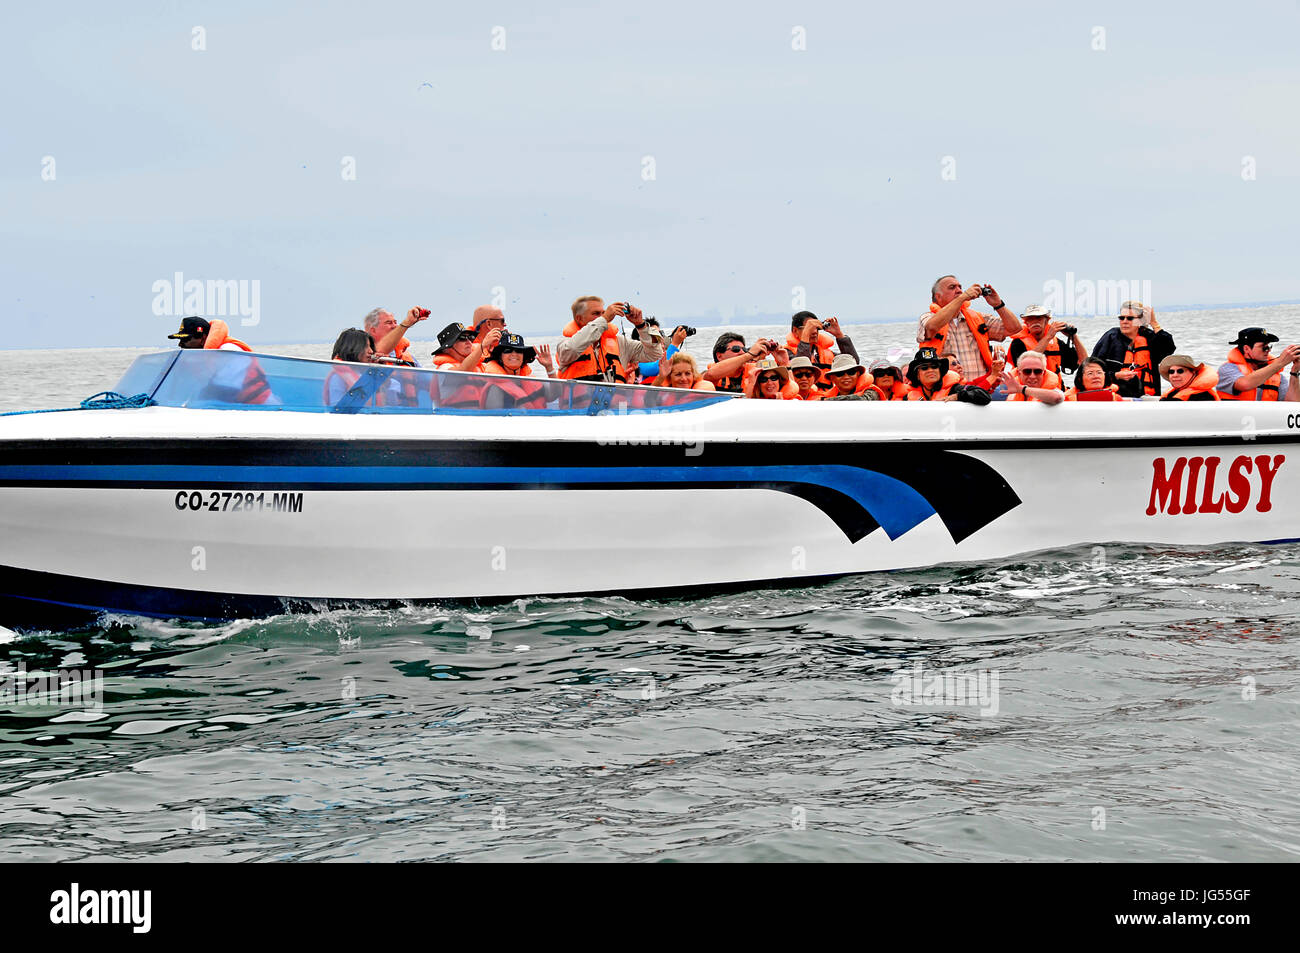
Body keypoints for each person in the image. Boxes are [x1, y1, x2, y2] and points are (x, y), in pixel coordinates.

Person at [918, 276, 1022, 382]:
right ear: (938, 297)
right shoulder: (927, 318)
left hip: (980, 388)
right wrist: (963, 297)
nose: (959, 291)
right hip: (947, 390)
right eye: (952, 287)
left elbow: (1015, 328)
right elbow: (931, 327)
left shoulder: (978, 318)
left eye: (960, 287)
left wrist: (998, 304)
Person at [556, 296, 664, 382]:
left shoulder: (620, 343)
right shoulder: (565, 344)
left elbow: (654, 354)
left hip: (615, 408)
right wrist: (604, 319)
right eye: (596, 314)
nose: (602, 317)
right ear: (579, 318)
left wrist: (641, 325)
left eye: (603, 313)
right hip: (578, 409)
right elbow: (572, 350)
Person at [1090, 301, 1175, 398]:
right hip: (1116, 396)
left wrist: (1153, 323)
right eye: (1122, 318)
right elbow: (1092, 368)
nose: (1125, 321)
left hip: (1147, 397)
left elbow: (1169, 348)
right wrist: (1116, 375)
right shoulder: (1110, 337)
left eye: (1130, 318)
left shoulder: (1150, 338)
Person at [1217, 328, 1300, 402]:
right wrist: (1281, 362)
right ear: (1247, 349)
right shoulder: (1226, 369)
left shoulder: (1278, 377)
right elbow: (1245, 384)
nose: (1268, 351)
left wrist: (1294, 372)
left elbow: (1292, 404)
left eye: (1269, 347)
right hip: (1234, 417)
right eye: (1264, 347)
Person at [1008, 305, 1083, 384]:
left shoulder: (1056, 343)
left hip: (1055, 390)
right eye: (1031, 319)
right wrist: (1049, 336)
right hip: (1029, 390)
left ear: (1046, 321)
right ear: (1026, 323)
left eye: (1039, 318)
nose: (1035, 322)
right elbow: (1028, 362)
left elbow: (1083, 362)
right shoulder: (1018, 343)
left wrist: (1074, 337)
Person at [481, 333, 553, 409]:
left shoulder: (533, 381)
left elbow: (554, 395)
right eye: (508, 350)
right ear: (500, 357)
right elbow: (493, 417)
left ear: (523, 357)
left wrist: (549, 368)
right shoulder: (495, 388)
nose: (514, 354)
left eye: (519, 350)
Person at [786, 312, 860, 386]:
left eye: (817, 328)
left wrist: (839, 335)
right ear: (795, 331)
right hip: (804, 396)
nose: (815, 332)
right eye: (810, 328)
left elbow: (853, 363)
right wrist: (805, 338)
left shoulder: (826, 353)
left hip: (828, 396)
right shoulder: (786, 354)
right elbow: (801, 365)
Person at [705, 333, 786, 394]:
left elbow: (788, 388)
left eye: (744, 349)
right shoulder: (712, 374)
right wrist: (749, 355)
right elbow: (711, 375)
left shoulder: (757, 373)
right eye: (736, 349)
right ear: (719, 356)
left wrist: (784, 363)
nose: (742, 352)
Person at [167, 317, 252, 351]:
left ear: (203, 338)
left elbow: (233, 384)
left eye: (185, 339)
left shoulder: (227, 350)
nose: (180, 344)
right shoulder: (208, 358)